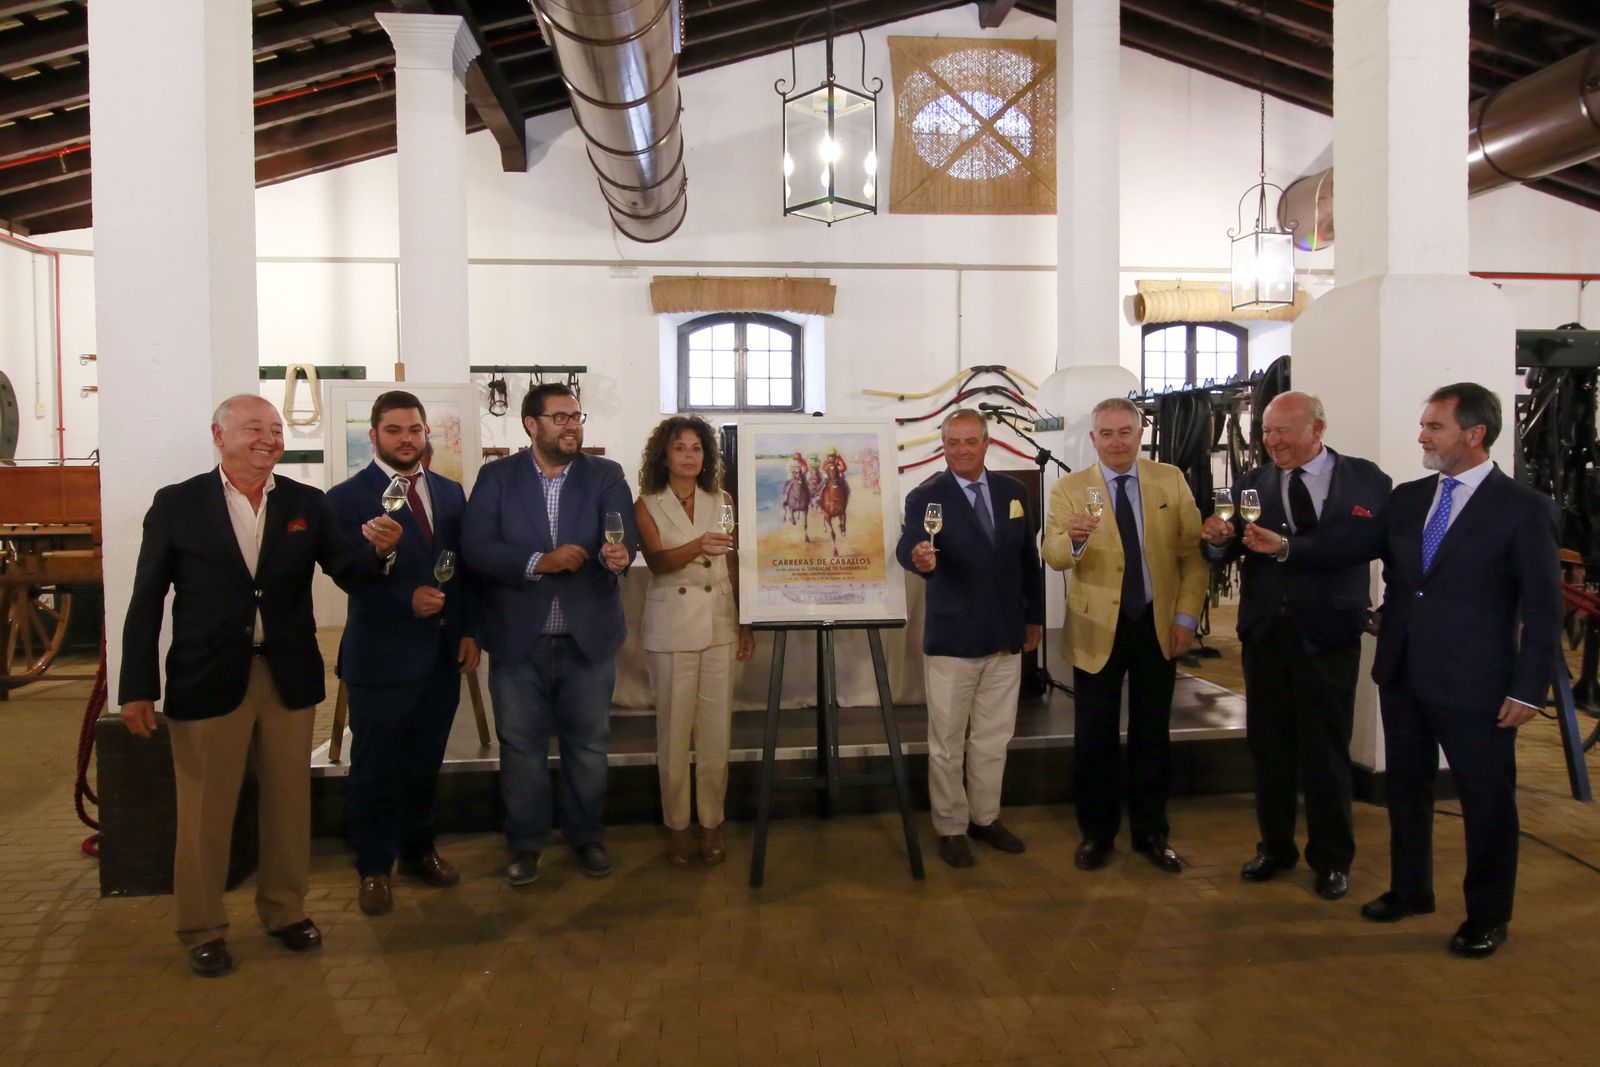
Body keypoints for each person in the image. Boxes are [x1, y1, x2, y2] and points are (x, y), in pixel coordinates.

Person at [1242, 383, 1560, 958]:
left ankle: (1487, 916)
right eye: (1423, 425)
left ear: (1474, 434)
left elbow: (1542, 608)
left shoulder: (1524, 509)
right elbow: (1366, 553)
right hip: (1405, 673)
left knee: (1487, 804)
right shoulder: (1412, 498)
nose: (1420, 436)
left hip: (1477, 683)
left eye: (1433, 427)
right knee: (1407, 794)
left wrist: (1529, 687)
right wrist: (1285, 548)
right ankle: (1410, 889)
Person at [118, 395, 400, 978]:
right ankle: (202, 926)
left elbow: (347, 569)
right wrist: (136, 687)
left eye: (275, 430)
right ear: (218, 434)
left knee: (288, 804)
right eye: (254, 428)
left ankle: (284, 910)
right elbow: (146, 602)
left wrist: (379, 551)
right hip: (206, 678)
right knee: (205, 811)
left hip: (286, 676)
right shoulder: (177, 505)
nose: (268, 438)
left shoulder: (305, 503)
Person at [1200, 391, 1391, 901]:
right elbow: (1220, 552)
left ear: (1317, 429)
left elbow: (1361, 545)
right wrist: (1217, 539)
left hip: (1328, 634)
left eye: (1283, 431)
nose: (1272, 440)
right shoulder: (1252, 483)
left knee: (1326, 750)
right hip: (1266, 635)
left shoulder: (1364, 479)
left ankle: (1331, 859)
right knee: (1270, 749)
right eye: (1266, 431)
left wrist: (1287, 548)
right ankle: (1275, 847)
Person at [462, 383, 636, 887]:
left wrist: (617, 555)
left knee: (588, 746)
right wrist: (542, 561)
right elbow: (477, 548)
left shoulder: (606, 475)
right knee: (520, 747)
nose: (571, 425)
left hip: (588, 640)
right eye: (559, 417)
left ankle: (587, 837)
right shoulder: (496, 478)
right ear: (530, 425)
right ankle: (526, 842)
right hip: (520, 641)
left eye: (576, 416)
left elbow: (621, 531)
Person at [326, 391, 480, 917]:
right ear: (373, 436)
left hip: (440, 655)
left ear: (425, 434)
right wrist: (400, 596)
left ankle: (418, 850)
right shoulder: (345, 498)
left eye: (414, 429)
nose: (406, 439)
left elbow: (460, 570)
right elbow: (345, 573)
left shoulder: (450, 491)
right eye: (394, 430)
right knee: (374, 766)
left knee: (423, 762)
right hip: (381, 656)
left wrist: (466, 631)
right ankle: (373, 867)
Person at [1042, 397, 1206, 874]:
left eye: (1125, 432)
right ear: (1093, 439)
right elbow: (1052, 554)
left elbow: (1192, 557)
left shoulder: (1170, 480)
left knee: (1153, 732)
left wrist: (1186, 619)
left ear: (1140, 434)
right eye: (1106, 434)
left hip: (1158, 626)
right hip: (1097, 628)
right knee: (1094, 735)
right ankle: (1097, 833)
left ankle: (1152, 831)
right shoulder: (1070, 488)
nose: (1116, 441)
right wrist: (1072, 539)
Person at [896, 409, 1043, 868]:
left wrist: (1034, 618)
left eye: (969, 441)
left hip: (1004, 635)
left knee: (994, 737)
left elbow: (1027, 561)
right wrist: (917, 556)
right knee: (947, 741)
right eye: (952, 442)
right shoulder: (927, 496)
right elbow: (909, 545)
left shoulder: (1013, 492)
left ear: (986, 443)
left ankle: (985, 817)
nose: (961, 449)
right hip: (953, 638)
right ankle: (951, 827)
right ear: (943, 446)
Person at [634, 416, 756, 866]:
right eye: (680, 448)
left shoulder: (722, 500)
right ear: (664, 455)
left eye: (697, 448)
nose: (689, 456)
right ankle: (677, 827)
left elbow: (735, 560)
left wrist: (745, 621)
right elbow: (658, 561)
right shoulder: (646, 505)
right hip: (671, 626)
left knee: (715, 733)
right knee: (673, 734)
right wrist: (697, 545)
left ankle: (712, 823)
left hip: (719, 622)